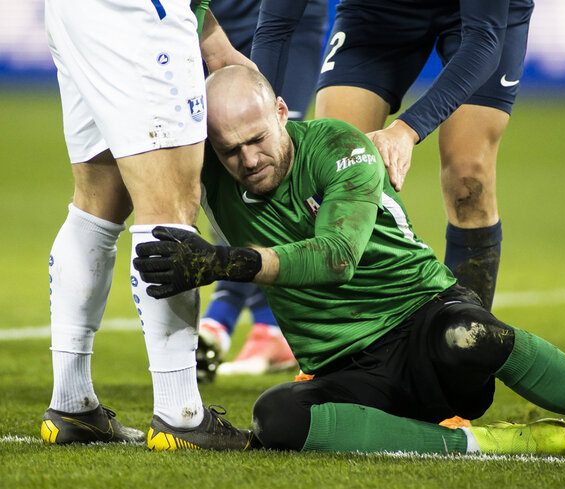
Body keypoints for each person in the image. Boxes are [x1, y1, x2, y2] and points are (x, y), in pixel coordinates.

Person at [133, 66, 565, 462]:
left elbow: (336, 256)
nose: (248, 159)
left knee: (472, 335)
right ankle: (479, 443)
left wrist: (221, 262)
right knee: (276, 419)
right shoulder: (208, 170)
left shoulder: (341, 148)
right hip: (347, 369)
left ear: (283, 111)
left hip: (424, 324)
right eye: (230, 150)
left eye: (258, 138)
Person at [41, 0, 254, 450]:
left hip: (74, 12)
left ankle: (71, 405)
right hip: (140, 14)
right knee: (171, 208)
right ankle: (181, 414)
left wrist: (208, 33)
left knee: (97, 203)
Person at [252, 0, 530, 312]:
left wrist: (406, 131)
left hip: (478, 23)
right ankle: (346, 341)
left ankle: (467, 333)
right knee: (330, 171)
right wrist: (257, 125)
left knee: (468, 176)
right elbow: (275, 27)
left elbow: (483, 42)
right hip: (378, 10)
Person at [193, 0, 328, 379]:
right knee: (222, 173)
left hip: (284, 25)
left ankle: (256, 324)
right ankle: (247, 324)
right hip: (206, 26)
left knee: (268, 172)